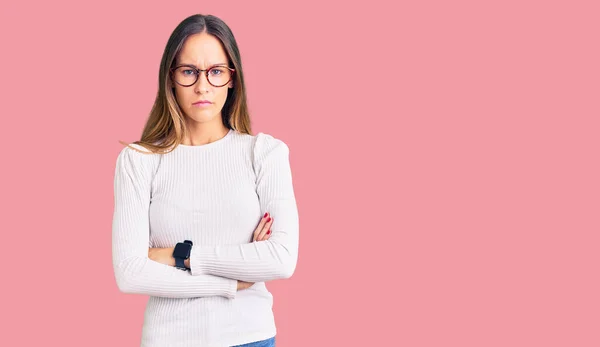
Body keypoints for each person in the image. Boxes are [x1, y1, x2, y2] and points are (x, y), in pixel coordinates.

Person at [111, 13, 299, 347]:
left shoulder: (264, 154)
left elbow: (281, 259)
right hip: (168, 340)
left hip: (250, 337)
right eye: (188, 72)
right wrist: (232, 281)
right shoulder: (139, 160)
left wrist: (180, 256)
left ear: (232, 78)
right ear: (170, 78)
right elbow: (130, 272)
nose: (202, 86)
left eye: (215, 71)